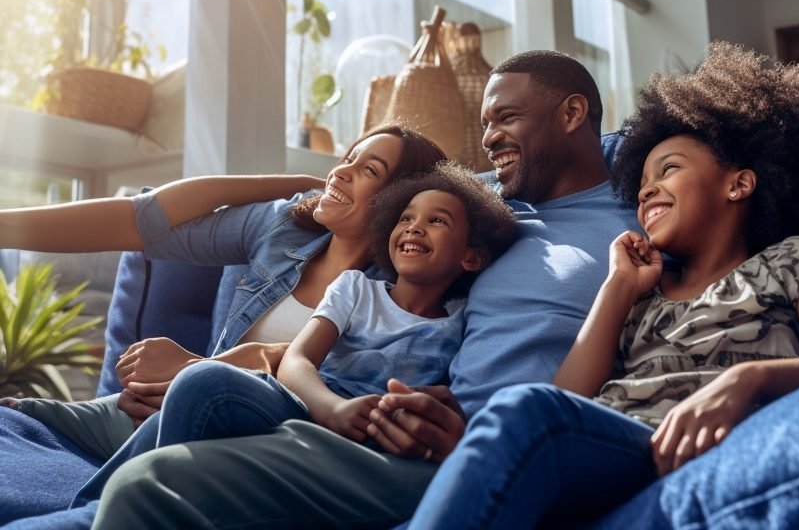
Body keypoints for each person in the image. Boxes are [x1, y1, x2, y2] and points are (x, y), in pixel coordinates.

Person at [87, 50, 639, 529]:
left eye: (507, 118)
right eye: (486, 121)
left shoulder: (637, 219)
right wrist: (312, 183)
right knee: (200, 392)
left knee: (151, 484)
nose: (489, 138)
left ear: (572, 113)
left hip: (489, 448)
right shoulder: (476, 202)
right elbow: (374, 216)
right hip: (395, 419)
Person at [405, 42, 799, 529]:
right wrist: (617, 288)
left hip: (706, 443)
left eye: (669, 170)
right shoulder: (642, 298)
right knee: (522, 412)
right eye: (642, 183)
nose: (647, 189)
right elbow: (567, 398)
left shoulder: (794, 259)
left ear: (738, 184)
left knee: (522, 413)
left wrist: (748, 380)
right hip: (620, 446)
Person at [0, 124, 446, 523]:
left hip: (245, 432)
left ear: (402, 200)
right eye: (346, 159)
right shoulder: (286, 229)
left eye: (369, 170)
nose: (341, 173)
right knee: (15, 418)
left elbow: (311, 376)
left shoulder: (404, 285)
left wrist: (192, 366)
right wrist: (288, 183)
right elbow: (147, 219)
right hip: (171, 409)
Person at [69, 162, 517, 505]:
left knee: (198, 386)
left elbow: (460, 393)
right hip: (307, 403)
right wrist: (334, 409)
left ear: (471, 259)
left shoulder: (462, 320)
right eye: (406, 217)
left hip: (371, 438)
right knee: (201, 382)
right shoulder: (356, 288)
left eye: (438, 221)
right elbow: (298, 362)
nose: (415, 226)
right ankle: (97, 505)